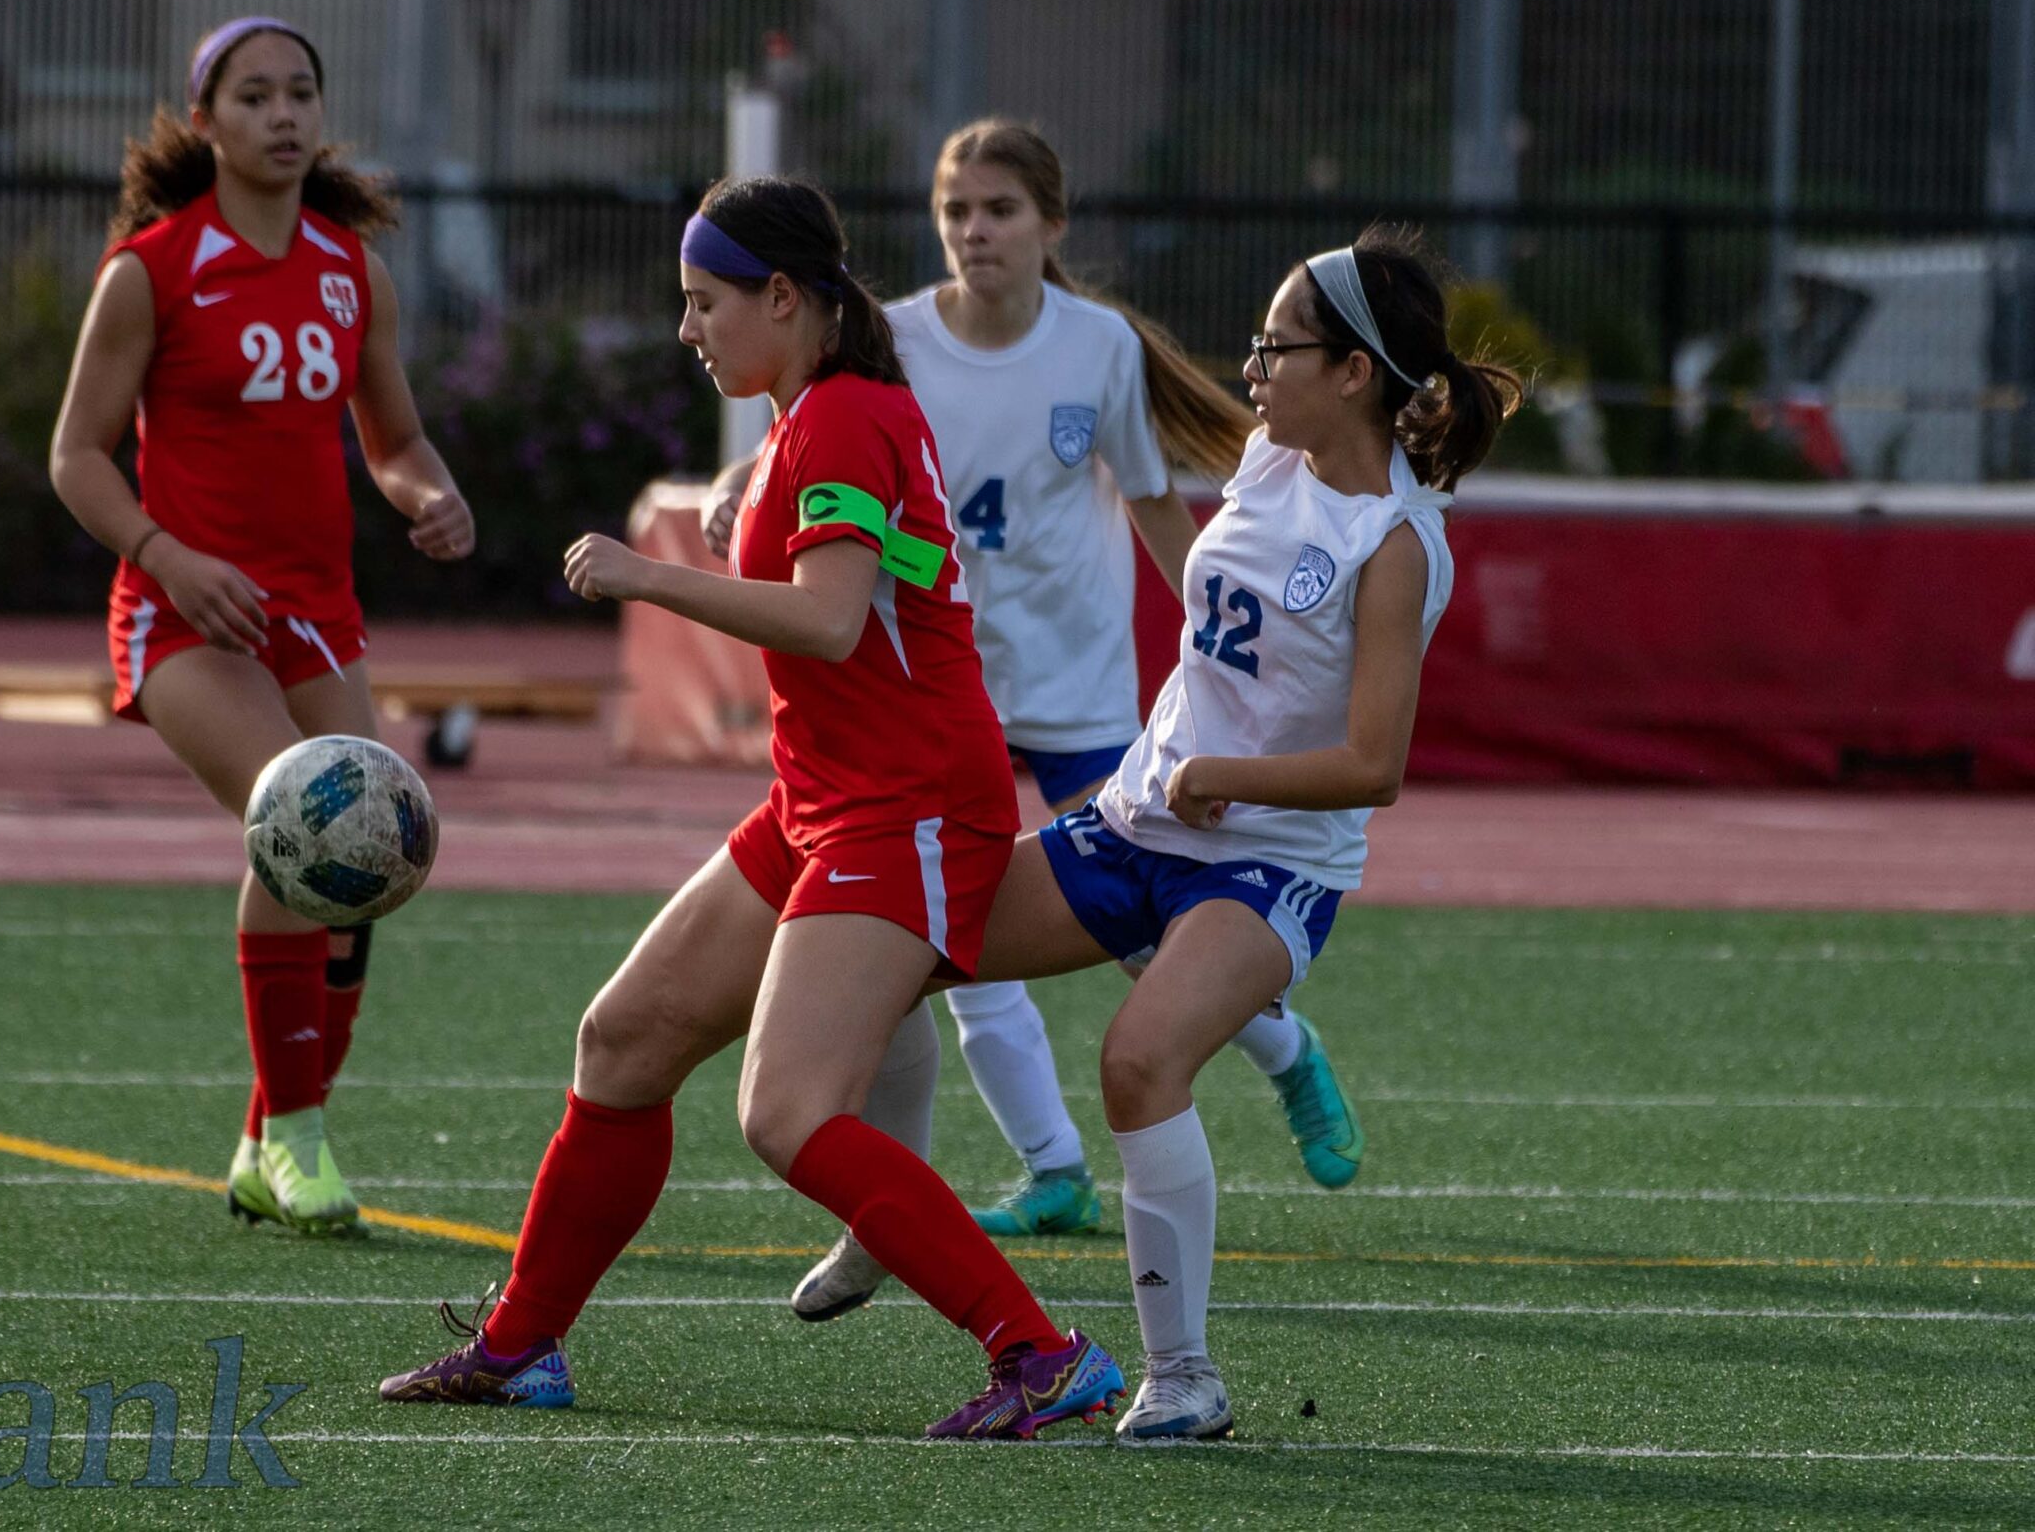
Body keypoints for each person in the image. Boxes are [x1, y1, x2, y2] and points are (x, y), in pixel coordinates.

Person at [377, 176, 1122, 1440]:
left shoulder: (841, 420)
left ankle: (1042, 1354)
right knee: (621, 1043)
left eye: (704, 301)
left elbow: (832, 623)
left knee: (785, 1113)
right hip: (824, 802)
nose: (688, 329)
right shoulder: (811, 417)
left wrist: (647, 575)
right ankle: (521, 1346)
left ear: (785, 297)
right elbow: (847, 579)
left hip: (906, 807)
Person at [703, 121, 1368, 1328]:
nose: (975, 231)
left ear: (1051, 228)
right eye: (956, 210)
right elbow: (804, 447)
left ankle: (1283, 1050)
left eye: (1000, 210)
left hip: (1074, 687)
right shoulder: (889, 339)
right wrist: (735, 485)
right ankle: (1048, 1168)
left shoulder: (1097, 348)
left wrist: (1218, 664)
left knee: (1144, 949)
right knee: (937, 949)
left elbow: (1164, 511)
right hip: (939, 695)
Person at [934, 225, 1521, 1441]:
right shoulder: (1270, 454)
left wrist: (1223, 772)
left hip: (1271, 864)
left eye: (1276, 343)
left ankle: (1184, 1378)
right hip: (1139, 817)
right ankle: (871, 1223)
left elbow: (1376, 767)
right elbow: (1146, 398)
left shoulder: (1395, 545)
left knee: (1139, 1062)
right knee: (900, 939)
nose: (1252, 365)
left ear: (1353, 371)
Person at [47, 18, 474, 1237]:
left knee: (372, 859)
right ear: (206, 124)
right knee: (304, 816)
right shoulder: (152, 269)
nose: (282, 114)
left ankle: (264, 1136)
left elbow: (392, 442)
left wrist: (428, 496)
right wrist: (166, 557)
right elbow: (75, 456)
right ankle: (296, 1138)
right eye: (254, 96)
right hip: (183, 623)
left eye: (299, 94)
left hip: (317, 621)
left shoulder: (352, 271)